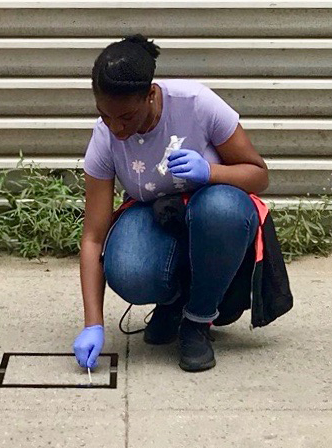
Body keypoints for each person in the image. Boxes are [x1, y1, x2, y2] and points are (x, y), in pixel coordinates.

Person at [71, 36, 269, 373]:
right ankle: (174, 301)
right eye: (105, 115)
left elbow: (259, 175)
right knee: (128, 270)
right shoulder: (105, 137)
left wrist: (210, 171)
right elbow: (93, 237)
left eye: (127, 117)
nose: (118, 128)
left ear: (150, 95)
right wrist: (93, 324)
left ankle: (198, 320)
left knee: (222, 209)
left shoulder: (196, 104)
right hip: (156, 217)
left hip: (213, 212)